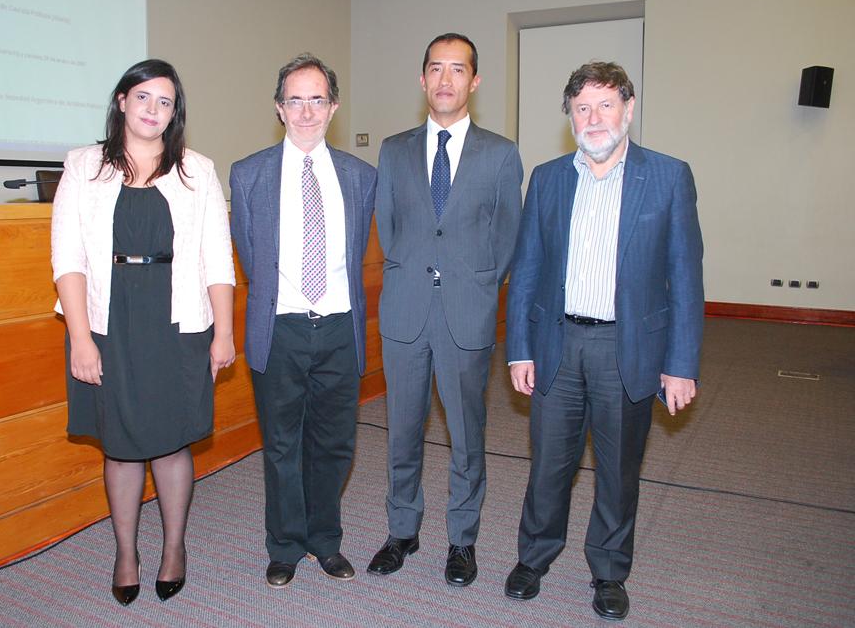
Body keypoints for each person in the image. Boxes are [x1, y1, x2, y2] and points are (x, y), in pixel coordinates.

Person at [503, 61, 704, 620]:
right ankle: (534, 557)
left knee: (618, 470)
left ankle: (609, 570)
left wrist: (681, 363)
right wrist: (519, 347)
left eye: (606, 105)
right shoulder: (547, 178)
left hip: (629, 350)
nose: (594, 118)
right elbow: (528, 270)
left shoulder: (667, 177)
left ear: (629, 109)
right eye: (582, 108)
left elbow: (685, 277)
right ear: (569, 116)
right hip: (557, 345)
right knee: (548, 464)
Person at [51, 59, 235, 606]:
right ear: (122, 102)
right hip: (110, 323)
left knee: (172, 441)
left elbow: (217, 261)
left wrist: (223, 334)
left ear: (175, 112)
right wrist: (81, 339)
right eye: (144, 98)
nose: (154, 110)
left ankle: (174, 548)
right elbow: (68, 257)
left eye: (166, 102)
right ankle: (126, 551)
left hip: (177, 321)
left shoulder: (197, 170)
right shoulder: (83, 166)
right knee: (123, 445)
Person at [368, 33, 523, 587]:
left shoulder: (501, 154)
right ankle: (402, 531)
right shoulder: (393, 148)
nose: (445, 80)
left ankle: (462, 540)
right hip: (406, 311)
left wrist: (477, 284)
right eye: (436, 68)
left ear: (474, 81)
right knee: (401, 433)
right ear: (422, 78)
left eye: (458, 70)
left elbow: (506, 239)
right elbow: (390, 229)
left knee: (465, 434)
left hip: (466, 311)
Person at [229, 54, 377, 588]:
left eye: (318, 99)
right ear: (279, 108)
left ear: (334, 107)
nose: (307, 110)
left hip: (339, 327)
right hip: (282, 327)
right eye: (296, 99)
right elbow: (251, 257)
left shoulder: (362, 177)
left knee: (336, 443)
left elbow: (356, 250)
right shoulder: (248, 175)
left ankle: (325, 540)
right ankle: (285, 546)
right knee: (282, 444)